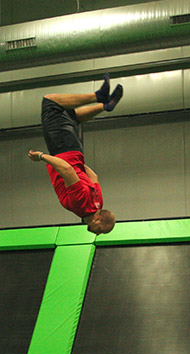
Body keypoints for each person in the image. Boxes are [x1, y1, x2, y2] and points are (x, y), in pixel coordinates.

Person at [28, 74, 122, 234]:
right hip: (62, 148)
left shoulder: (98, 202)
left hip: (76, 151)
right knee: (50, 103)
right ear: (98, 219)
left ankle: (105, 106)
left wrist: (77, 161)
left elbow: (94, 177)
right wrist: (41, 156)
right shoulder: (81, 206)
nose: (97, 233)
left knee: (71, 117)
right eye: (100, 231)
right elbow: (67, 170)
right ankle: (97, 97)